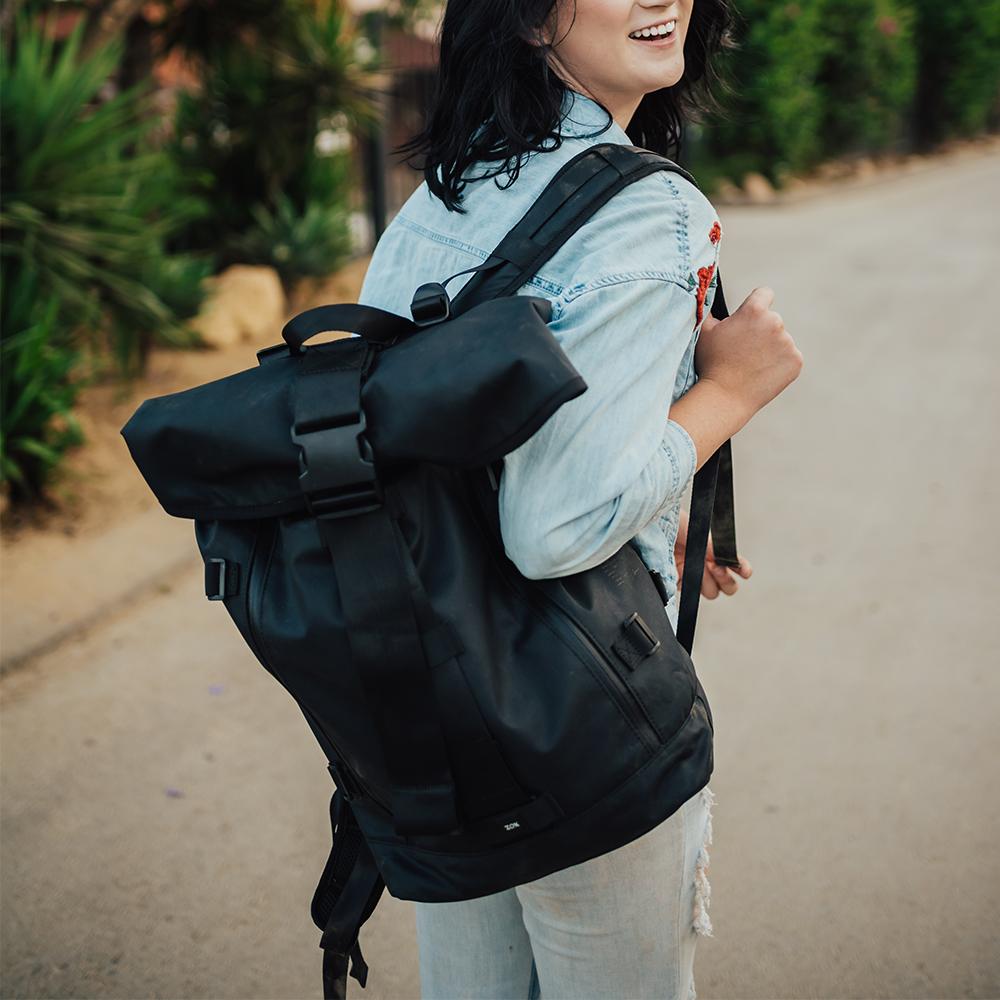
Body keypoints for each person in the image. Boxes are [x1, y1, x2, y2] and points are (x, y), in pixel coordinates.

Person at [356, 0, 804, 995]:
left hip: (436, 709)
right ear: (521, 18)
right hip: (574, 714)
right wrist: (729, 391)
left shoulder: (444, 191)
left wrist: (658, 491)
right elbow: (556, 525)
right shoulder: (645, 208)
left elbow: (444, 446)